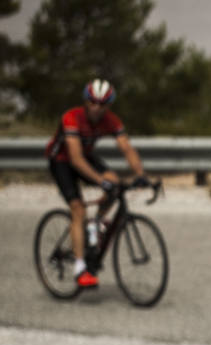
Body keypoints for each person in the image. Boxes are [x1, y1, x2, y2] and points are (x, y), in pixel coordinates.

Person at [44, 79, 152, 289]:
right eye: (93, 102)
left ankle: (95, 224)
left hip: (85, 156)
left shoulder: (110, 120)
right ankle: (80, 267)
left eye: (102, 104)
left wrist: (141, 175)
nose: (96, 108)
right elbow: (75, 159)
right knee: (78, 209)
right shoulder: (71, 118)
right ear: (86, 101)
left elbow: (127, 148)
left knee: (115, 182)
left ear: (108, 105)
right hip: (62, 161)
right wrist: (100, 181)